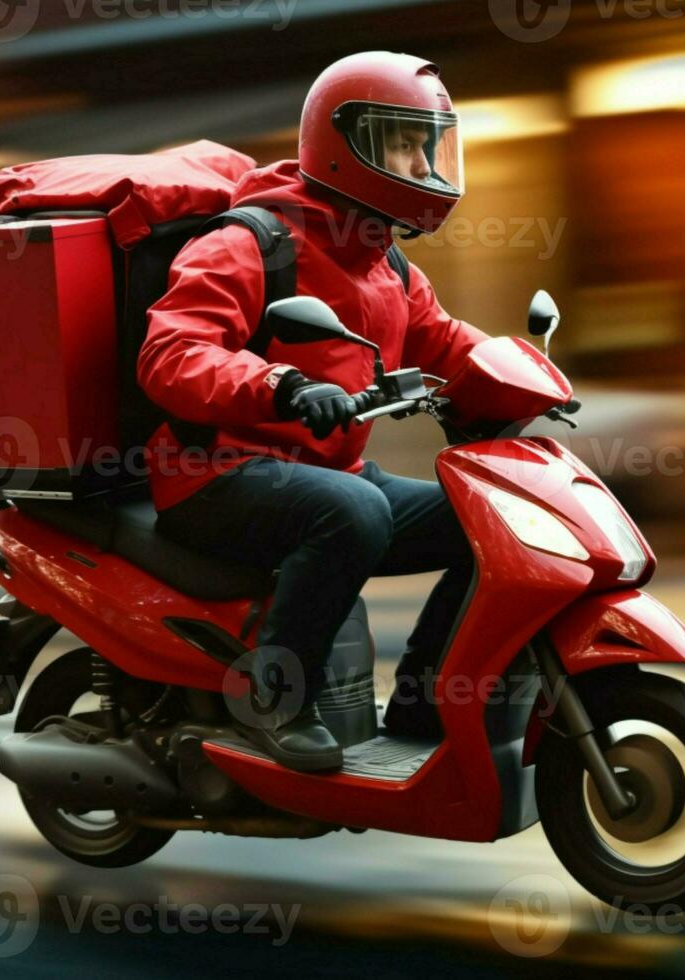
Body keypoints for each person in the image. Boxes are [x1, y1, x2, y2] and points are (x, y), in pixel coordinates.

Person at [137, 51, 488, 772]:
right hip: (215, 475)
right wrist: (281, 386)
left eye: (429, 145)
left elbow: (448, 343)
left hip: (328, 470)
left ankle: (426, 706)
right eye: (402, 142)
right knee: (352, 513)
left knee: (485, 521)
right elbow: (170, 355)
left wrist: (523, 371)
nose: (422, 163)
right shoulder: (249, 243)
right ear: (346, 144)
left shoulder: (386, 263)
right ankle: (275, 699)